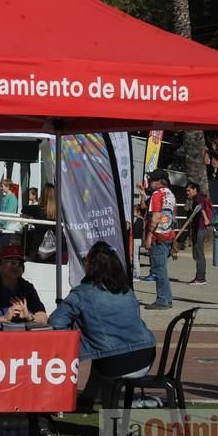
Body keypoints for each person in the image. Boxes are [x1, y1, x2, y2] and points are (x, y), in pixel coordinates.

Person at [49, 241, 156, 411]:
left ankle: (110, 425)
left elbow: (55, 322)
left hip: (117, 364)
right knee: (103, 348)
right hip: (146, 356)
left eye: (85, 260)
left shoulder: (82, 293)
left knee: (103, 350)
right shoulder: (127, 291)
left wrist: (79, 327)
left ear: (91, 266)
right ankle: (87, 399)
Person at [0, 245, 48, 323]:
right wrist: (2, 319)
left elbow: (44, 318)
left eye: (19, 263)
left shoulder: (28, 288)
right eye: (11, 262)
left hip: (23, 335)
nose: (16, 266)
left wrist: (29, 316)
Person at [143, 169, 176, 310]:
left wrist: (149, 235)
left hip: (158, 237)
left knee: (158, 269)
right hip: (168, 235)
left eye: (151, 180)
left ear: (159, 181)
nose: (149, 183)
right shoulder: (170, 194)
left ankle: (162, 299)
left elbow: (156, 217)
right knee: (162, 269)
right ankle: (167, 298)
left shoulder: (157, 194)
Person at [185, 181, 211, 285]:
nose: (187, 192)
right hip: (199, 229)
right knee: (197, 253)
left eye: (189, 190)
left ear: (195, 189)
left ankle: (200, 278)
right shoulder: (198, 198)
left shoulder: (198, 198)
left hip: (200, 229)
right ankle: (199, 277)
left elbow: (201, 208)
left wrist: (205, 219)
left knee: (199, 254)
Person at [132, 207, 144, 281]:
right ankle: (136, 274)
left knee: (135, 258)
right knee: (135, 257)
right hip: (137, 240)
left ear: (138, 212)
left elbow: (136, 231)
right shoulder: (140, 220)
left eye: (134, 211)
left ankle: (137, 275)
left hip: (136, 240)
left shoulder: (139, 220)